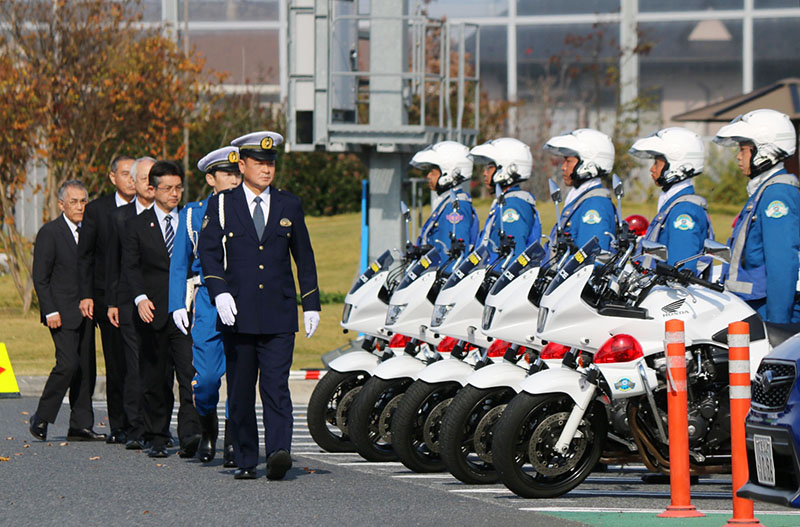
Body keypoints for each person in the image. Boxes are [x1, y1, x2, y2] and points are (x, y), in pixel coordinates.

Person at [198, 131, 321, 480]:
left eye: (271, 163)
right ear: (242, 164)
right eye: (259, 163)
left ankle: (279, 452)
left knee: (276, 386)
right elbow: (208, 251)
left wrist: (310, 303)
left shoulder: (288, 204)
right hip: (238, 312)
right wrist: (219, 292)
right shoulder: (223, 204)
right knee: (239, 390)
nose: (266, 170)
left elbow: (304, 256)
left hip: (279, 312)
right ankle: (247, 458)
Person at [169, 147, 242, 465]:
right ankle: (208, 426)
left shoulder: (252, 209)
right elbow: (179, 263)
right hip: (207, 302)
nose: (235, 179)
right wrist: (176, 304)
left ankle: (234, 441)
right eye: (228, 174)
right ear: (211, 178)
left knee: (240, 375)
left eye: (238, 173)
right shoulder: (192, 214)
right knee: (209, 378)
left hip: (243, 300)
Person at [29, 180, 106, 442]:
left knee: (86, 369)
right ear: (61, 204)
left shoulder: (91, 232)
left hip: (87, 311)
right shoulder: (50, 233)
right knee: (68, 364)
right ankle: (41, 417)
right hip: (60, 313)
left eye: (83, 201)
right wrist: (49, 310)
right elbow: (41, 277)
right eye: (73, 201)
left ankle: (80, 425)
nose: (80, 206)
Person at [714, 109, 800, 324]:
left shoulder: (777, 195)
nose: (738, 156)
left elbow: (781, 263)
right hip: (748, 306)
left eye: (744, 149)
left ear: (765, 151)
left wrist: (777, 324)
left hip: (765, 310)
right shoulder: (763, 191)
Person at [77, 155, 135, 444]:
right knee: (116, 364)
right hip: (105, 298)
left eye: (135, 174)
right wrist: (86, 294)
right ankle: (120, 424)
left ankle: (145, 423)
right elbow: (85, 255)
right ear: (112, 177)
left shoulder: (146, 208)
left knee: (143, 362)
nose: (131, 179)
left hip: (141, 298)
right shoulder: (97, 210)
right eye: (125, 173)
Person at [105, 156, 156, 450]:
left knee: (159, 365)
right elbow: (114, 263)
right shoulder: (120, 217)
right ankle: (136, 427)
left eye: (154, 177)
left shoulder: (172, 215)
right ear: (133, 182)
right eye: (145, 178)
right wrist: (112, 301)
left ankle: (157, 427)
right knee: (135, 364)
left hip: (161, 300)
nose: (150, 184)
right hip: (127, 300)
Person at [629, 127, 713, 273]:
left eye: (657, 163)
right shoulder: (673, 204)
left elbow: (678, 271)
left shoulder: (684, 210)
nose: (652, 169)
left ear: (676, 164)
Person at [468, 137, 541, 263]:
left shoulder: (513, 205)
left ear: (507, 168)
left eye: (490, 168)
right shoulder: (505, 201)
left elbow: (512, 258)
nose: (485, 173)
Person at [543, 128, 617, 253]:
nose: (563, 167)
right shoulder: (580, 199)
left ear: (588, 163)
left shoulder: (595, 205)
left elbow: (589, 260)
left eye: (568, 161)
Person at [408, 141, 478, 265]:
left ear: (449, 173)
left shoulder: (456, 206)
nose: (428, 176)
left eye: (433, 171)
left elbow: (452, 255)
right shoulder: (447, 202)